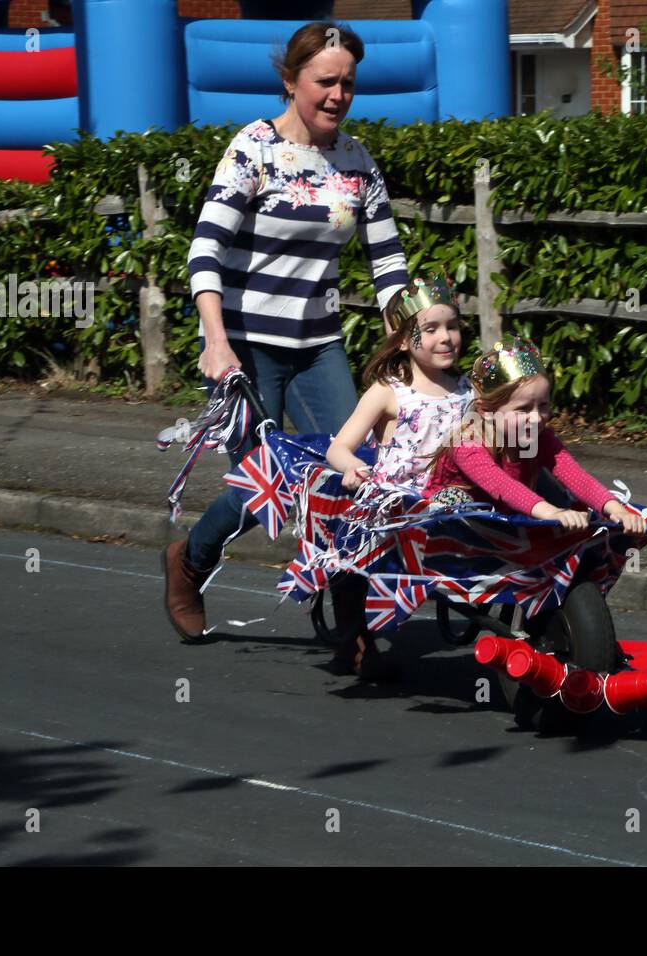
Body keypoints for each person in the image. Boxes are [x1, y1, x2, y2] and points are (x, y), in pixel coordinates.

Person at [163, 21, 409, 642]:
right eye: (325, 81)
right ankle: (190, 560)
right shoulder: (256, 147)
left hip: (318, 343)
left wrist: (405, 338)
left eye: (347, 83)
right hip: (246, 344)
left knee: (358, 475)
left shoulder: (356, 160)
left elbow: (387, 263)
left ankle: (354, 623)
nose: (337, 94)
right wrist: (215, 341)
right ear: (290, 81)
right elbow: (206, 248)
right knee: (265, 490)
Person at [322, 271, 473, 677]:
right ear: (406, 341)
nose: (446, 337)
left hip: (452, 500)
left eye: (452, 326)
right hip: (395, 501)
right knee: (351, 545)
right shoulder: (390, 390)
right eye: (431, 328)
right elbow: (339, 447)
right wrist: (354, 468)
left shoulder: (468, 389)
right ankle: (353, 634)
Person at [422, 336, 647, 535]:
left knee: (567, 499)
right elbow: (503, 487)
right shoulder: (467, 445)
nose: (536, 417)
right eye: (523, 409)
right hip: (449, 526)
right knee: (453, 501)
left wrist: (618, 511)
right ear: (486, 411)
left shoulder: (539, 437)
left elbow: (577, 477)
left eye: (543, 406)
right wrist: (553, 513)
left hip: (502, 513)